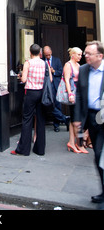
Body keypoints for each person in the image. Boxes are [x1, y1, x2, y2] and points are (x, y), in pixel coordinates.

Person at [74, 40, 104, 204]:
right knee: (98, 155)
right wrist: (78, 118)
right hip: (93, 118)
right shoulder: (84, 70)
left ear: (100, 56)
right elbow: (79, 95)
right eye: (85, 53)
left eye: (89, 54)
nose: (85, 56)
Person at [11, 43, 52, 156]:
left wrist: (21, 76)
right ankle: (40, 149)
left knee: (27, 119)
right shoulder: (45, 63)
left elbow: (24, 79)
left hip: (30, 93)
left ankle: (23, 149)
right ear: (40, 52)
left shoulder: (28, 63)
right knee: (40, 120)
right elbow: (50, 79)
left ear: (30, 52)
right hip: (42, 93)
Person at [62, 47, 87, 154]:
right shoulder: (68, 65)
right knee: (75, 119)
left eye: (81, 55)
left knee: (75, 119)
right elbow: (67, 80)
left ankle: (74, 142)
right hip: (73, 92)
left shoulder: (78, 65)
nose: (80, 57)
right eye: (78, 55)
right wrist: (70, 94)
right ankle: (76, 143)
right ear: (73, 54)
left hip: (79, 92)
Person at [43, 45, 70, 132]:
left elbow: (61, 71)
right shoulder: (42, 62)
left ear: (51, 52)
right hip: (46, 87)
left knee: (57, 105)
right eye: (46, 55)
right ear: (44, 54)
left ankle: (56, 125)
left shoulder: (56, 60)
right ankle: (64, 119)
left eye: (49, 55)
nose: (48, 56)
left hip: (56, 85)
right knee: (49, 105)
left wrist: (54, 72)